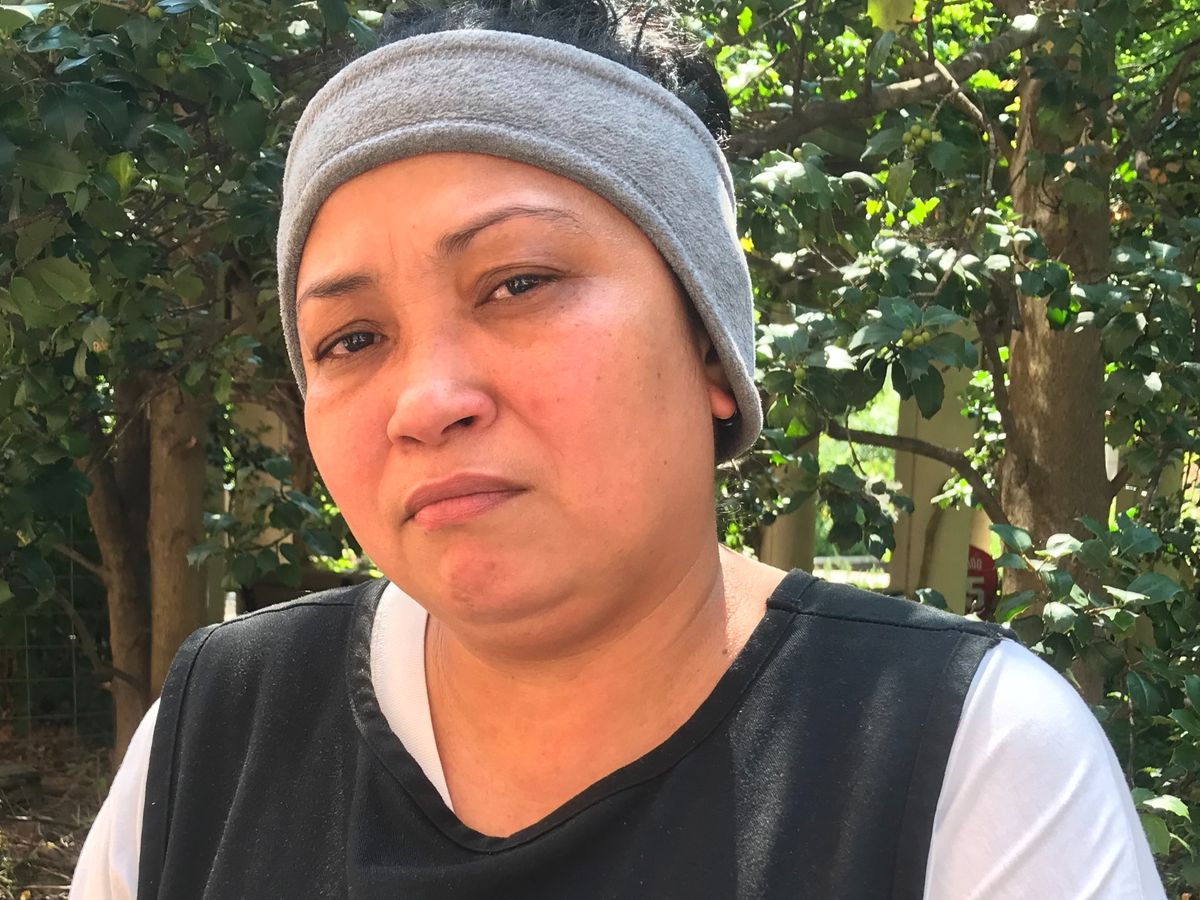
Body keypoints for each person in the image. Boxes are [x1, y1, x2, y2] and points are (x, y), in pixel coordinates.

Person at [71, 1, 1166, 897]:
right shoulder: (217, 734)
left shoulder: (962, 756)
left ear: (710, 347)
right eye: (351, 339)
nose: (428, 400)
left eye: (519, 282)